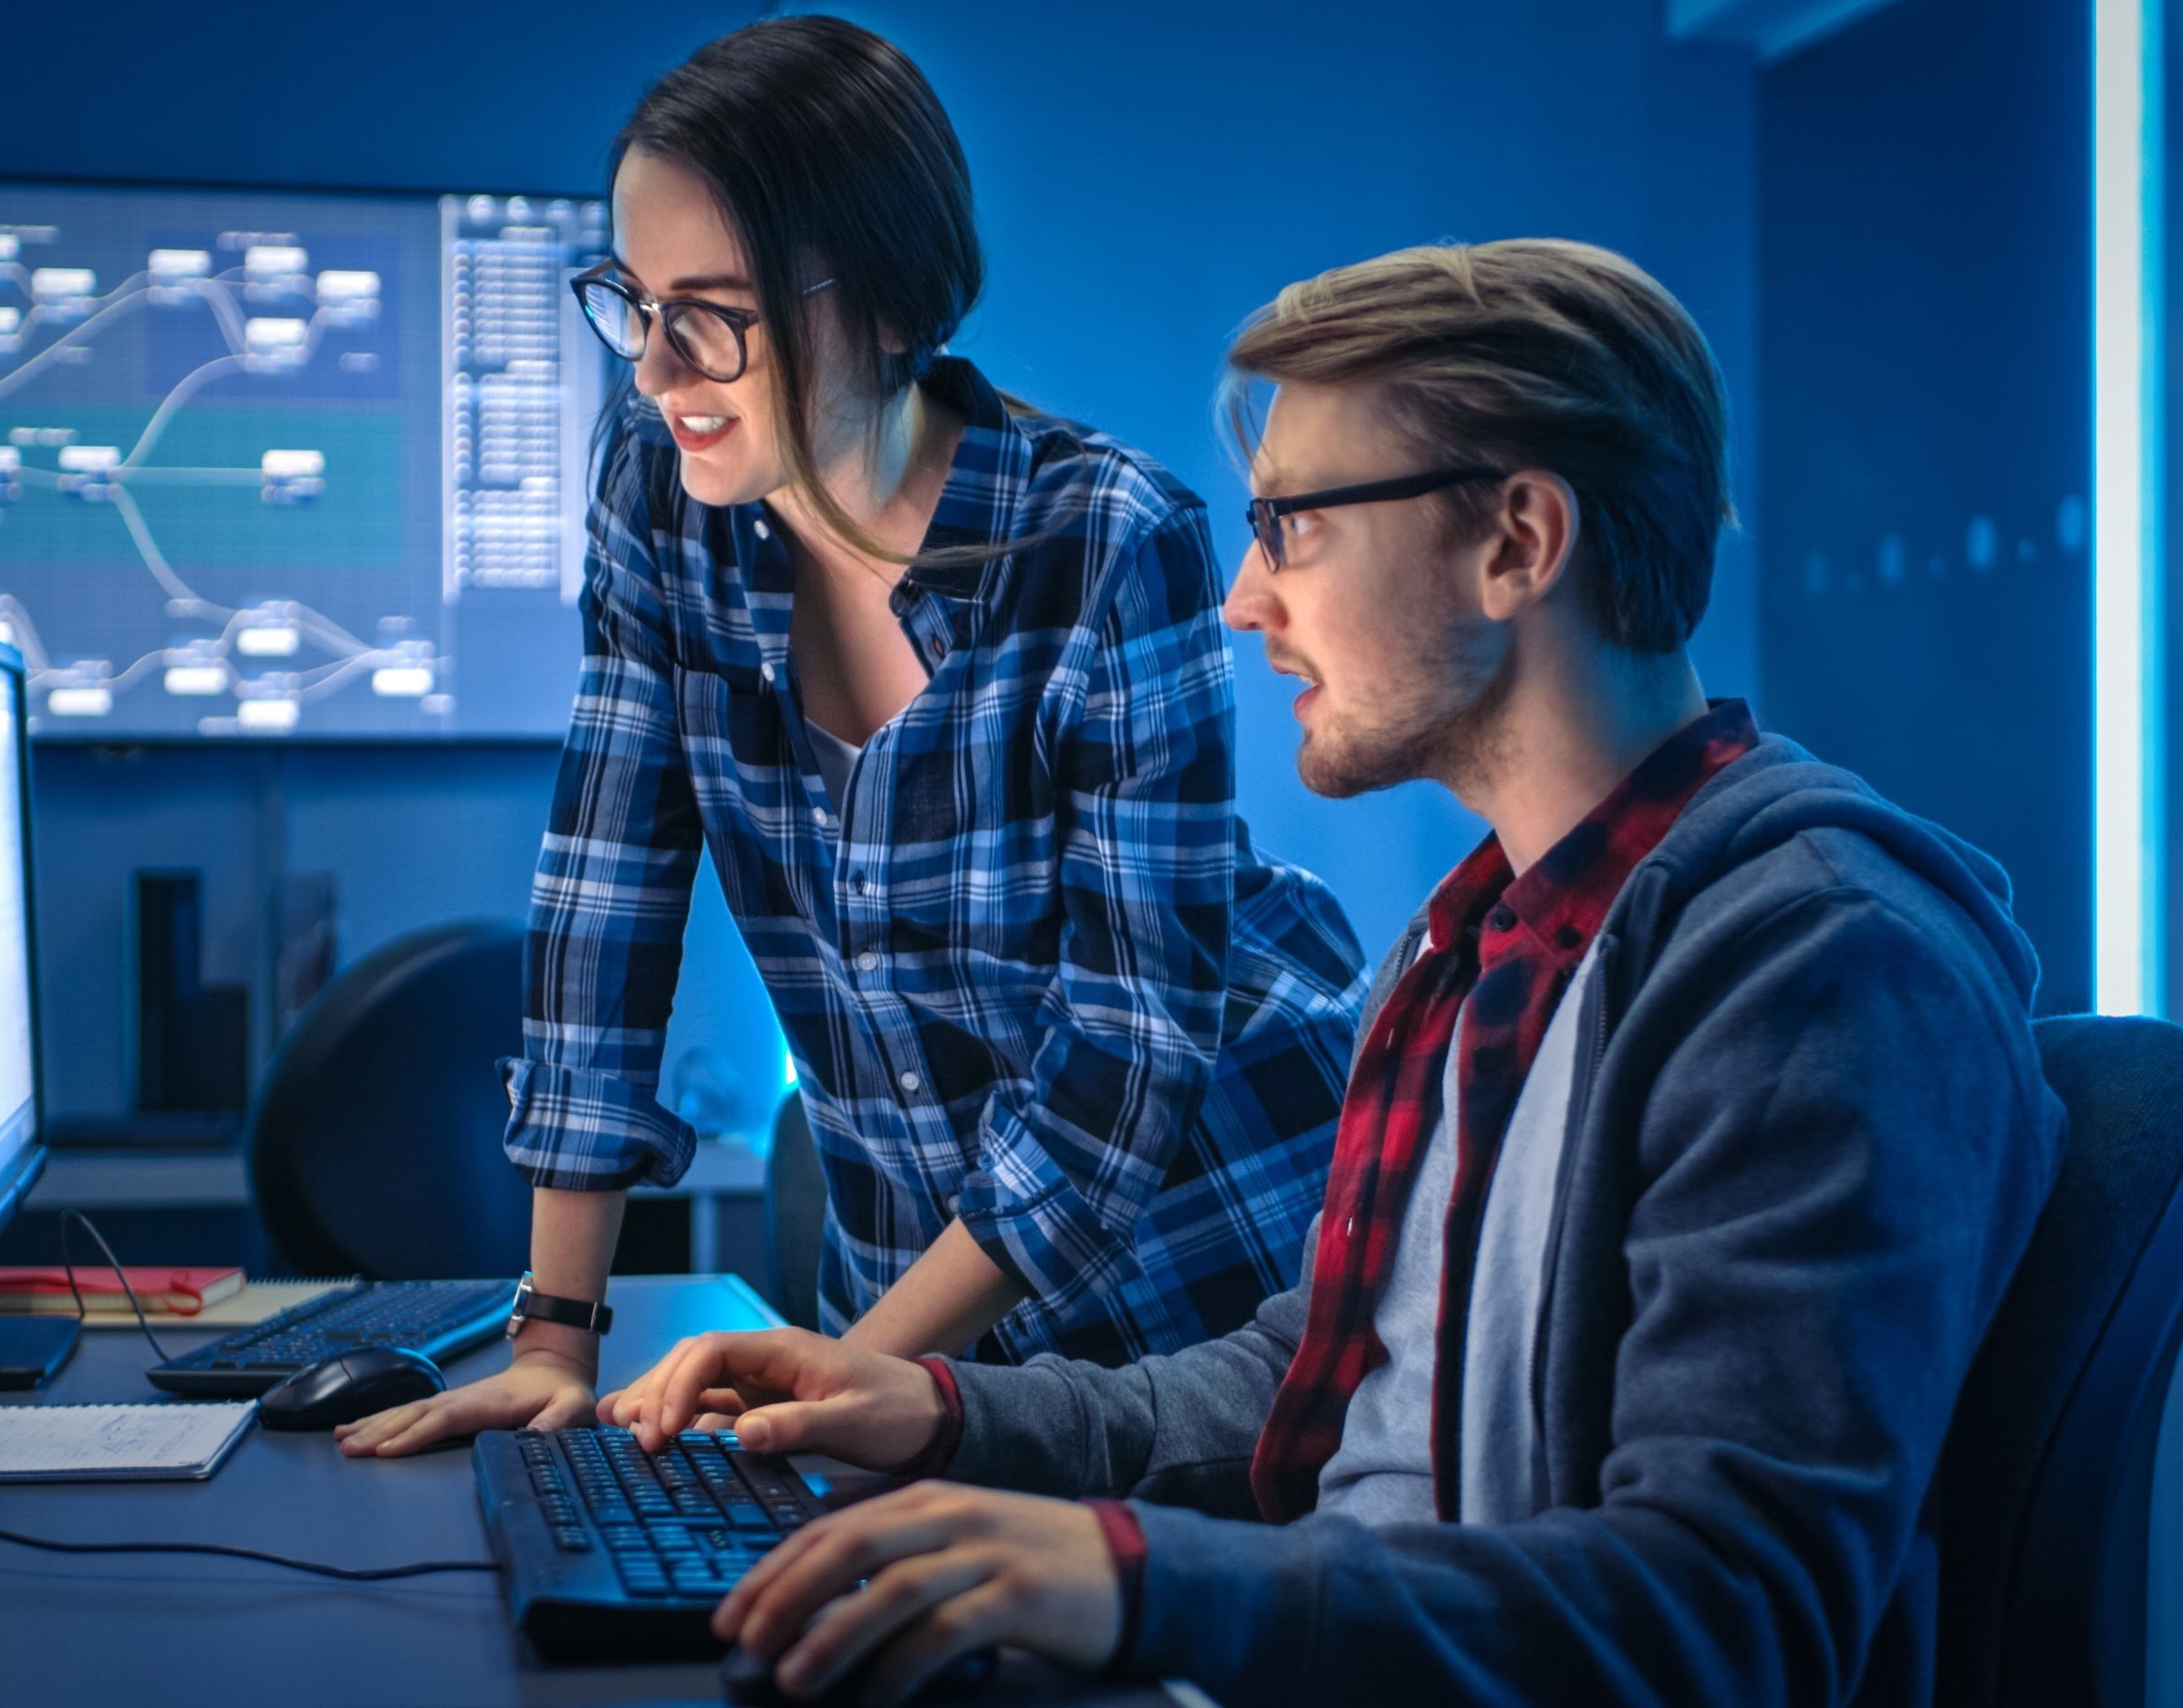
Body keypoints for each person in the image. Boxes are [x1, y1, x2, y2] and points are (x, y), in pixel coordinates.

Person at [596, 239, 2067, 1706]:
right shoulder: (1475, 943)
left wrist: (1141, 1585)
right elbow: (1303, 1387)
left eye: (1290, 527)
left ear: (1516, 543)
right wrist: (935, 1413)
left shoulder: (1817, 973)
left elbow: (1724, 1612)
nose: (1241, 600)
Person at [337, 16, 1364, 1460]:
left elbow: (1127, 1054)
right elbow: (605, 889)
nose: (655, 371)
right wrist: (553, 1336)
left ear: (885, 303)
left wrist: (842, 1379)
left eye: (711, 314)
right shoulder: (659, 491)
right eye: (634, 303)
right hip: (893, 1300)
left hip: (1197, 1263)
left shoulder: (1106, 538)